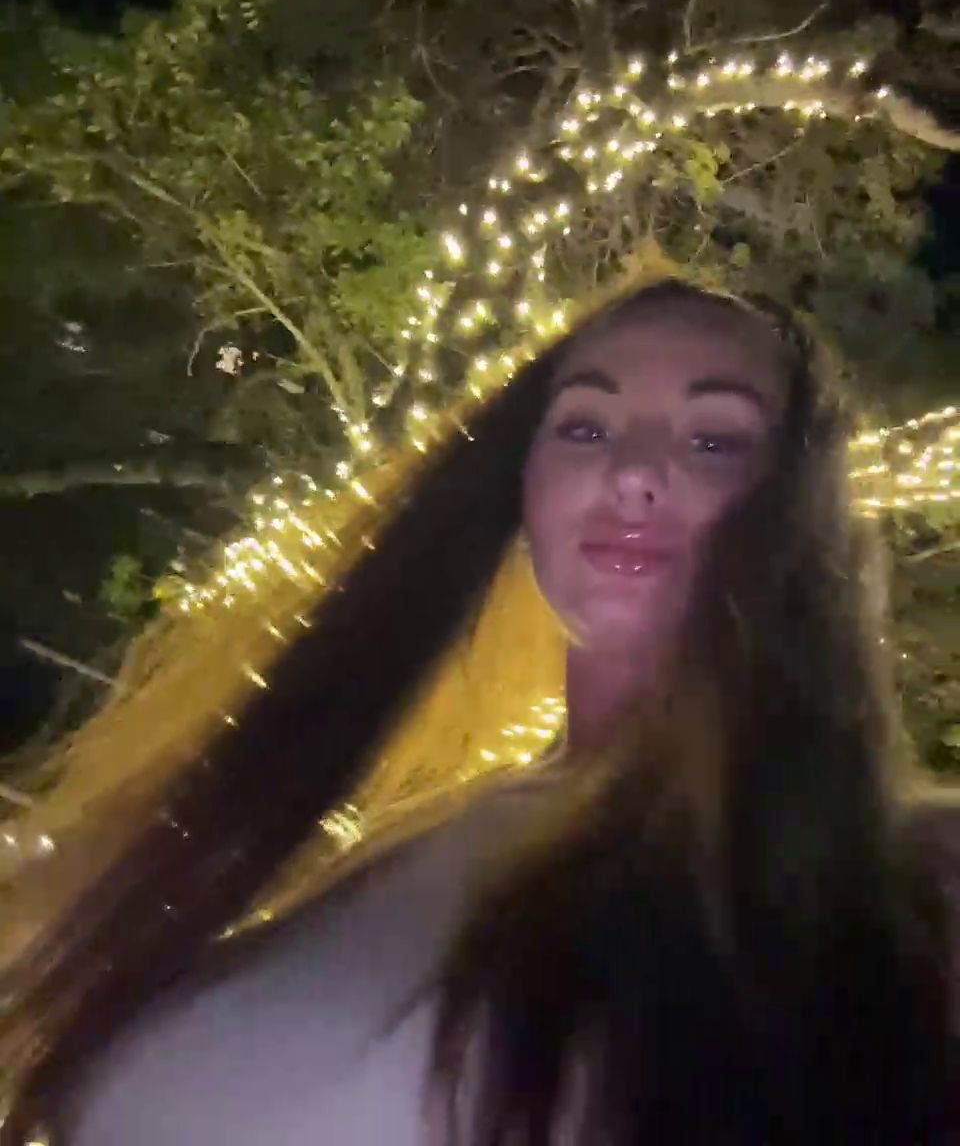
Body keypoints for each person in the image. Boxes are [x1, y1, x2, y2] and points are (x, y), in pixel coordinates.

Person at [0, 278, 956, 1143]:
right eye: (584, 426)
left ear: (803, 511)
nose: (632, 471)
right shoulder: (407, 837)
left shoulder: (900, 877)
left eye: (714, 440)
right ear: (522, 490)